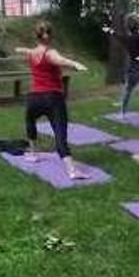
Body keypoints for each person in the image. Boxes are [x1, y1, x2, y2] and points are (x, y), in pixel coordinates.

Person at [15, 21, 90, 179]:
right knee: (59, 133)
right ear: (50, 36)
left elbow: (30, 51)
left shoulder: (33, 53)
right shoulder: (50, 52)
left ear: (37, 36)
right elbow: (60, 60)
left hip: (35, 98)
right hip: (53, 98)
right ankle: (71, 170)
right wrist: (75, 64)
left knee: (30, 121)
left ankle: (33, 153)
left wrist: (21, 49)